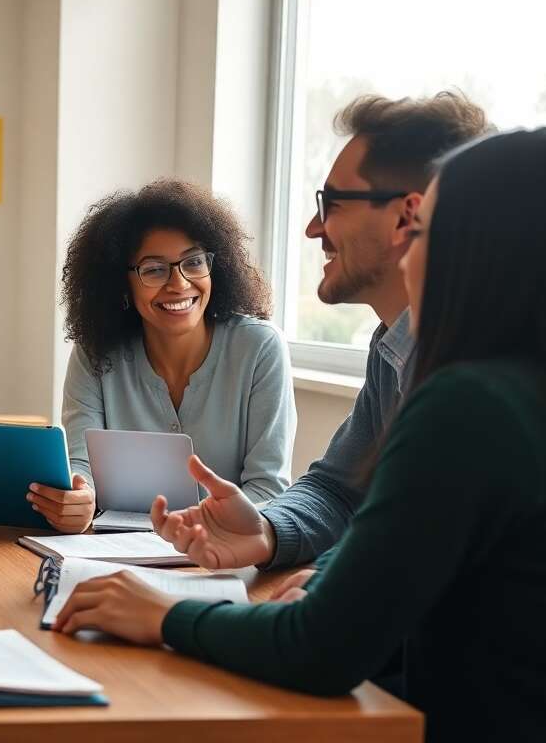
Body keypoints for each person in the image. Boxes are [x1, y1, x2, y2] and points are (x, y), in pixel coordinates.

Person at [52, 127, 546, 743]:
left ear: (478, 249)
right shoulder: (475, 376)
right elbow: (344, 494)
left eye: (424, 229)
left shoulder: (469, 404)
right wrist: (285, 542)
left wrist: (164, 614)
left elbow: (322, 647)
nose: (410, 250)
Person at [150, 93, 491, 587]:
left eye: (331, 204)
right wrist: (266, 529)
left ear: (404, 218)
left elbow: (419, 549)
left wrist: (169, 617)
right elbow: (338, 488)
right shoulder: (392, 348)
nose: (313, 229)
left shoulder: (476, 375)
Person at [34, 180, 292, 533]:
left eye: (194, 262)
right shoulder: (95, 355)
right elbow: (82, 468)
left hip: (226, 555)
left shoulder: (260, 349)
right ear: (120, 283)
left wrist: (187, 528)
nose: (180, 283)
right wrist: (79, 499)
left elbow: (269, 489)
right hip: (112, 553)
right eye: (154, 269)